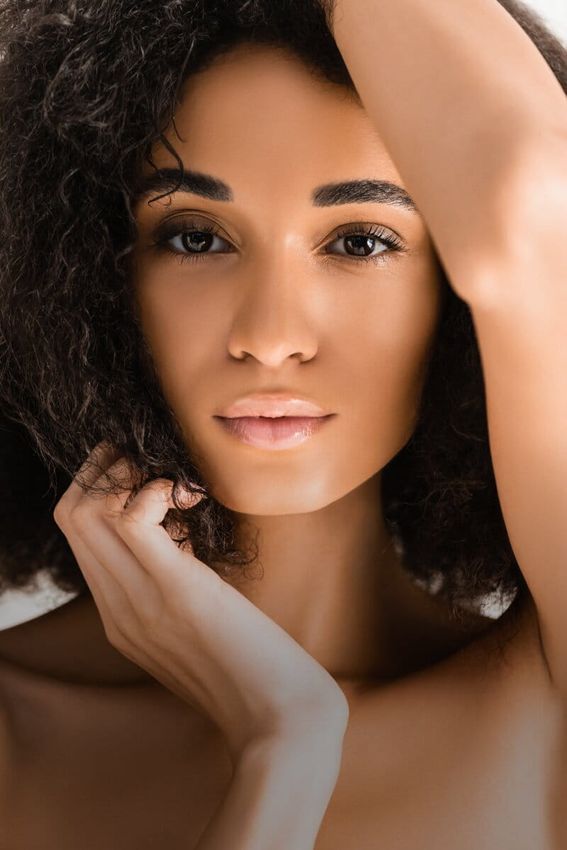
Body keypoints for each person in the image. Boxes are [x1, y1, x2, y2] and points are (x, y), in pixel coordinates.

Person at [0, 0, 566, 846]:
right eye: (195, 239)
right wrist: (286, 743)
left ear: (453, 299)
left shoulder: (546, 698)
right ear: (90, 276)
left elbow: (532, 202)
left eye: (361, 242)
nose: (269, 337)